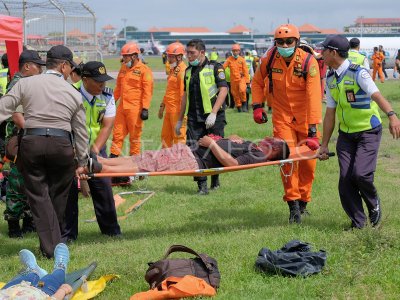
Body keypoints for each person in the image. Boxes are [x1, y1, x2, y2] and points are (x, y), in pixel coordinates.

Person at [0, 45, 89, 258]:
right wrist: (83, 160)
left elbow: (4, 108)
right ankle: (54, 248)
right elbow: (81, 131)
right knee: (58, 196)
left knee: (39, 197)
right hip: (61, 146)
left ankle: (50, 248)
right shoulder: (73, 93)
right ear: (64, 66)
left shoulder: (25, 83)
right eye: (70, 68)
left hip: (32, 143)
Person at [318, 34, 400, 229]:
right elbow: (330, 113)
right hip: (346, 135)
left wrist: (392, 116)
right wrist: (323, 144)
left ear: (333, 52)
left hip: (368, 131)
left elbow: (377, 95)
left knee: (361, 174)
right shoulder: (330, 78)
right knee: (345, 180)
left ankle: (374, 204)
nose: (321, 53)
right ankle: (359, 223)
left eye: (324, 50)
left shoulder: (358, 73)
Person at [251, 24, 322, 224]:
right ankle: (293, 206)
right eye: (280, 42)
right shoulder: (270, 59)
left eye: (289, 41)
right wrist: (257, 106)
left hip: (306, 118)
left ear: (297, 42)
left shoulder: (309, 62)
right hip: (282, 119)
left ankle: (304, 202)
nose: (284, 45)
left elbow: (314, 96)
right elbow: (257, 82)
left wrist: (313, 131)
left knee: (308, 164)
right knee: (287, 160)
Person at [63, 61, 121, 242]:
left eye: (104, 81)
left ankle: (111, 231)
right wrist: (76, 155)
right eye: (98, 81)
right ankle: (68, 235)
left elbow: (107, 126)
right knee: (69, 191)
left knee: (103, 187)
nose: (102, 85)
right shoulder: (69, 94)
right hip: (70, 148)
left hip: (96, 147)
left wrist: (92, 154)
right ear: (85, 79)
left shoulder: (107, 96)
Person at [81, 135, 290, 176]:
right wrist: (231, 138)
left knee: (149, 166)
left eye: (271, 141)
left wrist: (212, 144)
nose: (268, 138)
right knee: (145, 157)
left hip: (192, 160)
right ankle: (101, 160)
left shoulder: (258, 156)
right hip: (190, 151)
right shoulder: (253, 147)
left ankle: (102, 168)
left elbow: (232, 164)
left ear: (273, 151)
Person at [175, 39, 228, 195]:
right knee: (194, 151)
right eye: (188, 53)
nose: (189, 56)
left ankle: (215, 179)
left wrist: (213, 113)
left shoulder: (215, 67)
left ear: (202, 52)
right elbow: (185, 96)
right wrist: (179, 120)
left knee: (215, 149)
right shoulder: (188, 71)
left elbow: (223, 90)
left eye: (192, 53)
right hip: (193, 118)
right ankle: (202, 186)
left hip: (213, 117)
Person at [3, 49, 46, 238]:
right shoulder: (18, 83)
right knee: (17, 182)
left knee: (32, 179)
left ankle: (29, 221)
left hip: (29, 137)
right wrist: (32, 131)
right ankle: (13, 224)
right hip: (20, 139)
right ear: (27, 66)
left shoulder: (28, 83)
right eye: (38, 66)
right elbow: (16, 114)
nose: (41, 70)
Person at [110, 42, 153, 184]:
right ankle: (111, 164)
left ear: (134, 56)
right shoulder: (123, 69)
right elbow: (117, 88)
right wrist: (112, 102)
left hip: (136, 109)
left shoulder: (144, 70)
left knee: (135, 139)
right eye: (123, 57)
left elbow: (147, 90)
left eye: (126, 57)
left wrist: (145, 108)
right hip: (122, 108)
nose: (124, 60)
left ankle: (134, 168)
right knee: (117, 135)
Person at [0, 243, 72, 299]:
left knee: (31, 276)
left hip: (11, 289)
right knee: (50, 279)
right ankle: (60, 267)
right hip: (40, 290)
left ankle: (34, 270)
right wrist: (62, 291)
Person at [158, 42, 187, 148]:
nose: (168, 59)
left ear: (179, 57)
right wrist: (162, 106)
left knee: (178, 138)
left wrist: (181, 116)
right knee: (165, 137)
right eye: (168, 56)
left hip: (177, 111)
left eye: (171, 57)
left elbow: (183, 95)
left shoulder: (182, 72)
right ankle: (166, 161)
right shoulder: (173, 70)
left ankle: (180, 162)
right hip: (169, 110)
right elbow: (169, 91)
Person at [223, 44, 250, 112]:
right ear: (232, 51)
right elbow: (223, 67)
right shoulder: (229, 59)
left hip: (241, 79)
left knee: (242, 90)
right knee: (235, 94)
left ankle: (244, 104)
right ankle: (239, 107)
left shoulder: (242, 60)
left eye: (236, 51)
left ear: (239, 51)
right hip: (233, 80)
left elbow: (245, 71)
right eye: (234, 51)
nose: (235, 52)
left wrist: (247, 82)